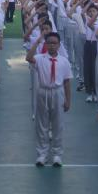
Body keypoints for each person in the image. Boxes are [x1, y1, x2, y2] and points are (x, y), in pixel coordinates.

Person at [26, 32, 72, 167]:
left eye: (54, 43)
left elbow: (67, 82)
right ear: (45, 44)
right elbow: (28, 57)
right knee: (42, 124)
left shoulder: (64, 61)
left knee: (58, 124)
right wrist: (37, 41)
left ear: (59, 45)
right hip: (43, 92)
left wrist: (68, 100)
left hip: (57, 92)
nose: (51, 45)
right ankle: (42, 154)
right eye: (49, 43)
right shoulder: (40, 58)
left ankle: (57, 154)